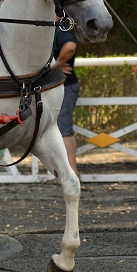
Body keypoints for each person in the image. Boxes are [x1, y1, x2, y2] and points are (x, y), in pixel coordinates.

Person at [54, 28, 80, 175]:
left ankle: (72, 173)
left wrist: (56, 66)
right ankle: (64, 173)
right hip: (58, 87)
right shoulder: (54, 28)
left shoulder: (60, 29)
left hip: (65, 86)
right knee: (59, 130)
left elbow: (70, 46)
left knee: (63, 130)